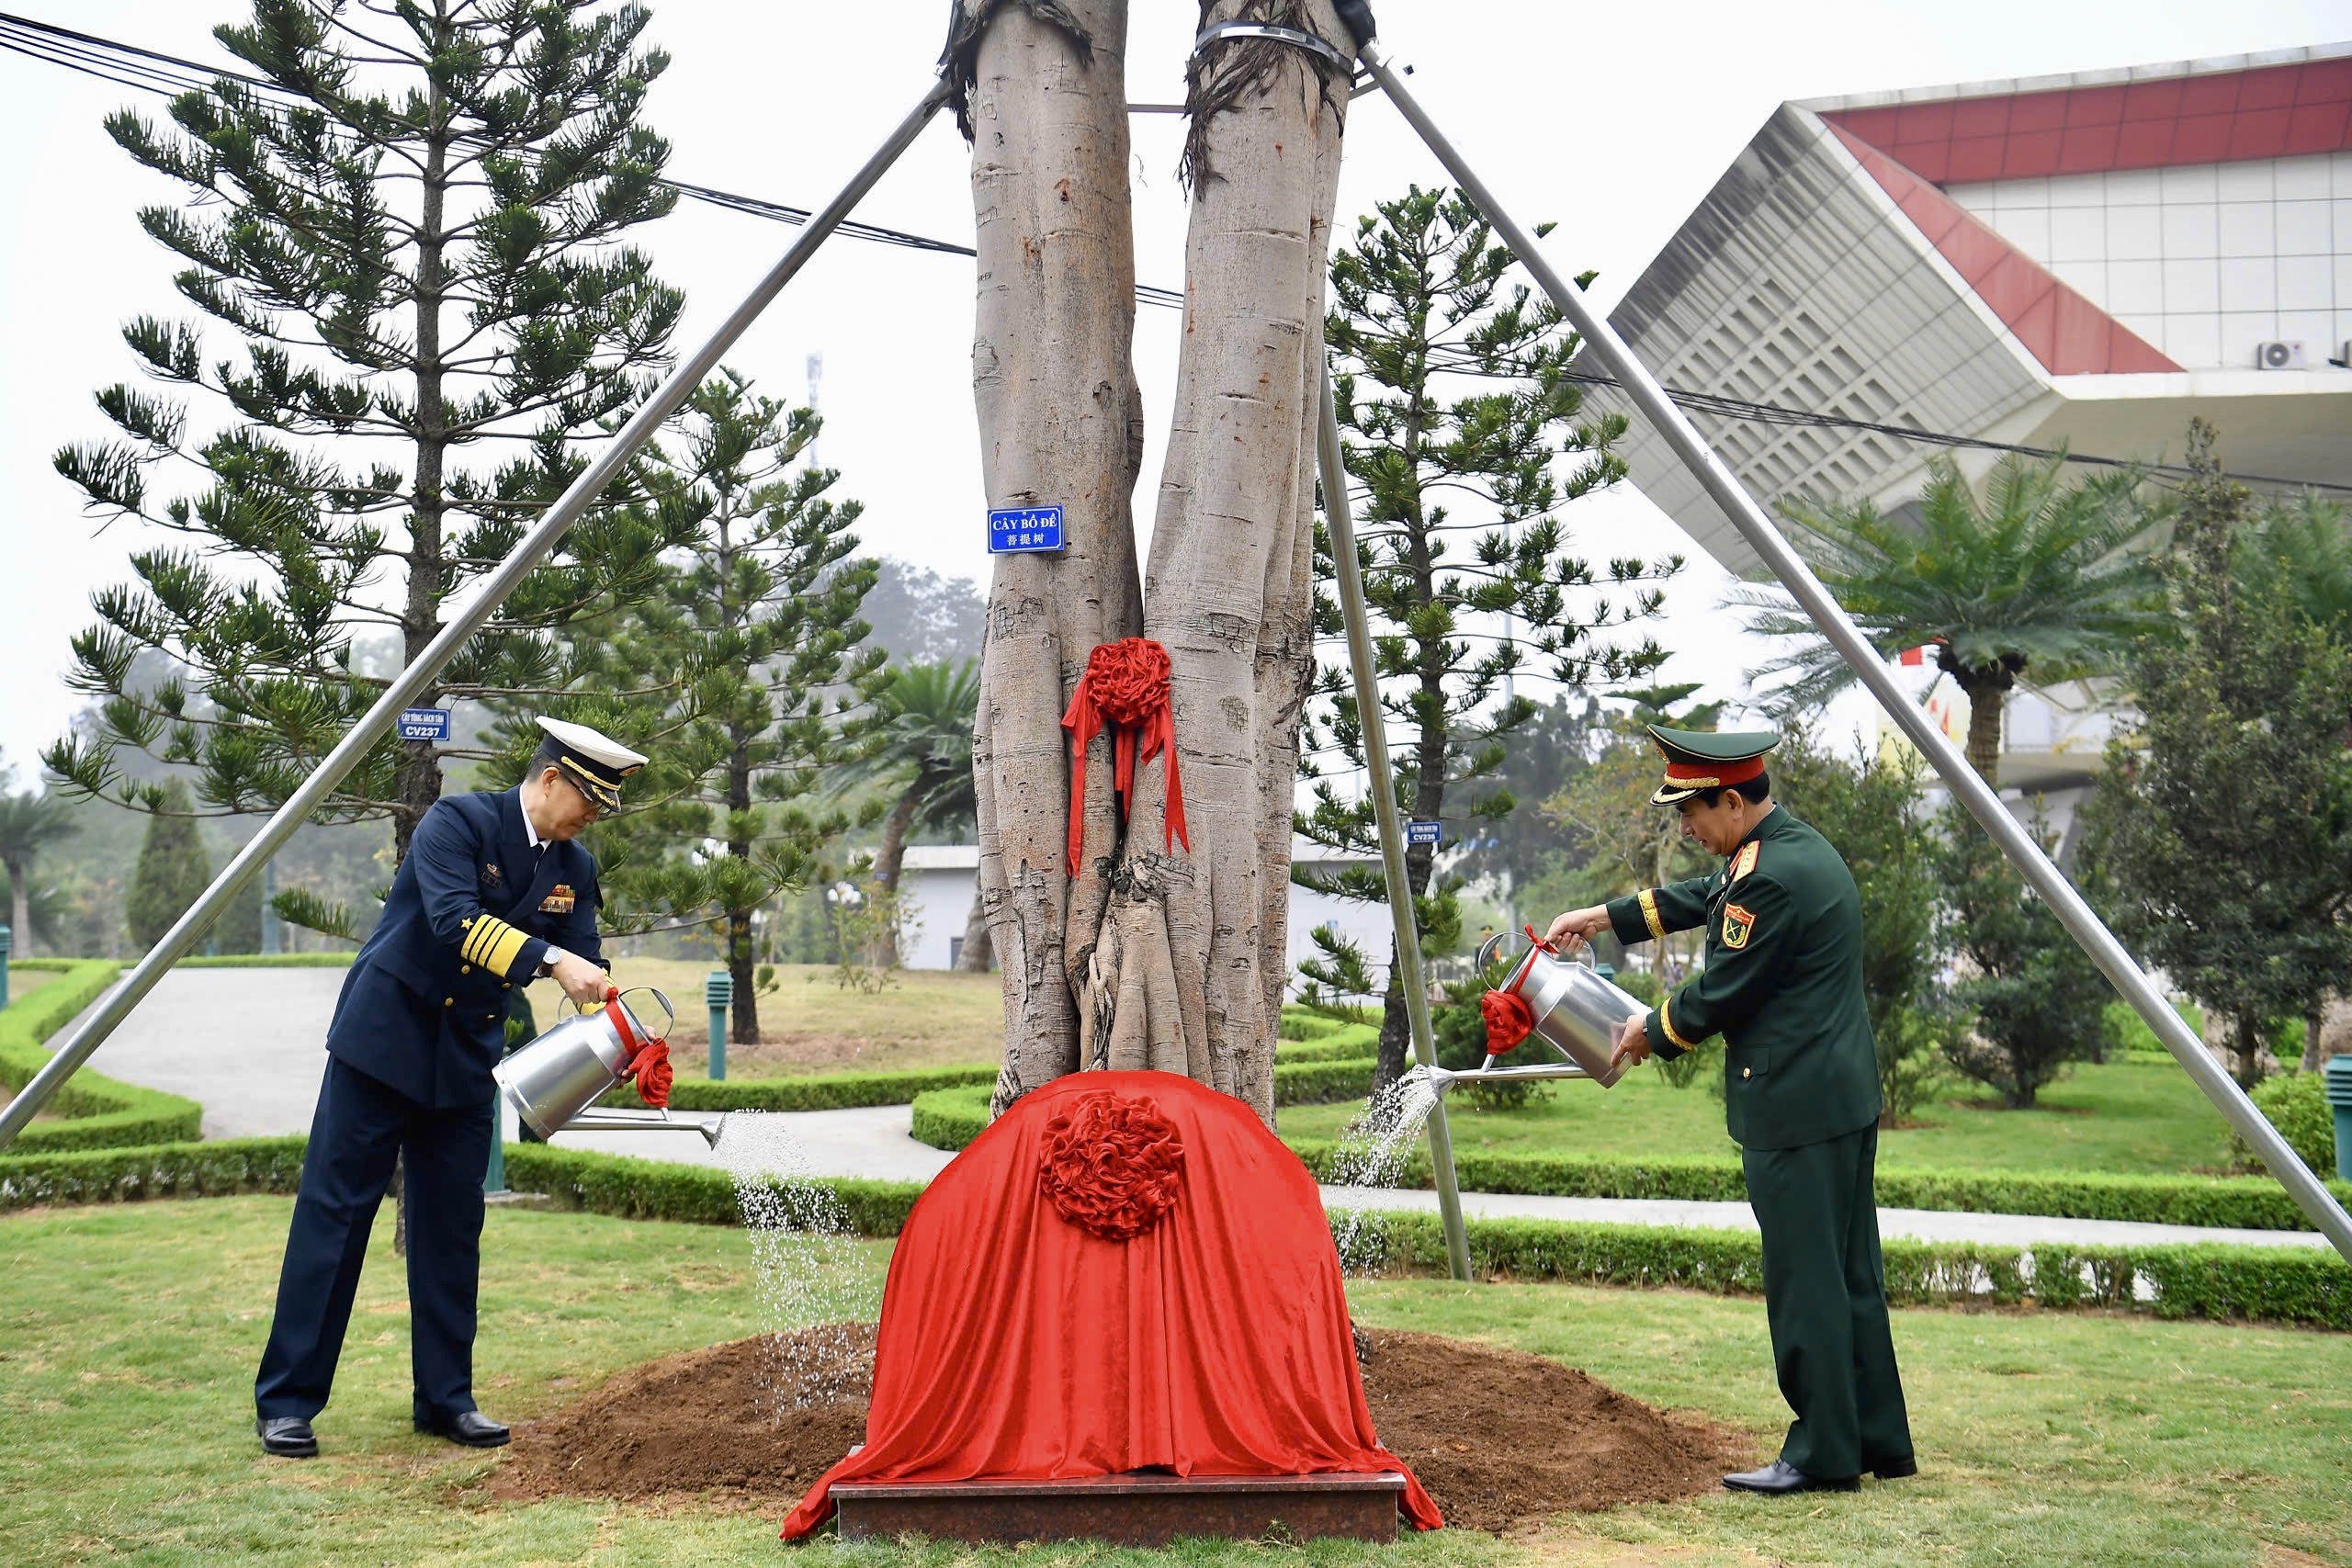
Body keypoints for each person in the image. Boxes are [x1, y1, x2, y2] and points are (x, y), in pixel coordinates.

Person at [253, 716, 645, 1459]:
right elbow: (453, 921)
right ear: (551, 777)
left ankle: (445, 1398)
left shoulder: (576, 869)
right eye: (589, 796)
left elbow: (588, 967)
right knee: (334, 1220)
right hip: (383, 1043)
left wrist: (626, 1028)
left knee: (451, 1231)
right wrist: (552, 963)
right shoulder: (456, 821)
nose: (594, 814)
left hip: (464, 1060)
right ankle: (288, 1401)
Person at [1547, 724, 1914, 1495]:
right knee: (1851, 1274)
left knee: (1805, 1280)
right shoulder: (1787, 850)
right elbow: (1702, 900)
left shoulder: (1767, 880)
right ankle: (1875, 1434)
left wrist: (1649, 1030)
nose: (1685, 828)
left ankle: (1820, 1452)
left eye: (1693, 811)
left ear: (1734, 800)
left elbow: (1725, 987)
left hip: (1794, 1109)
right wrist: (1603, 917)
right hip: (1837, 1097)